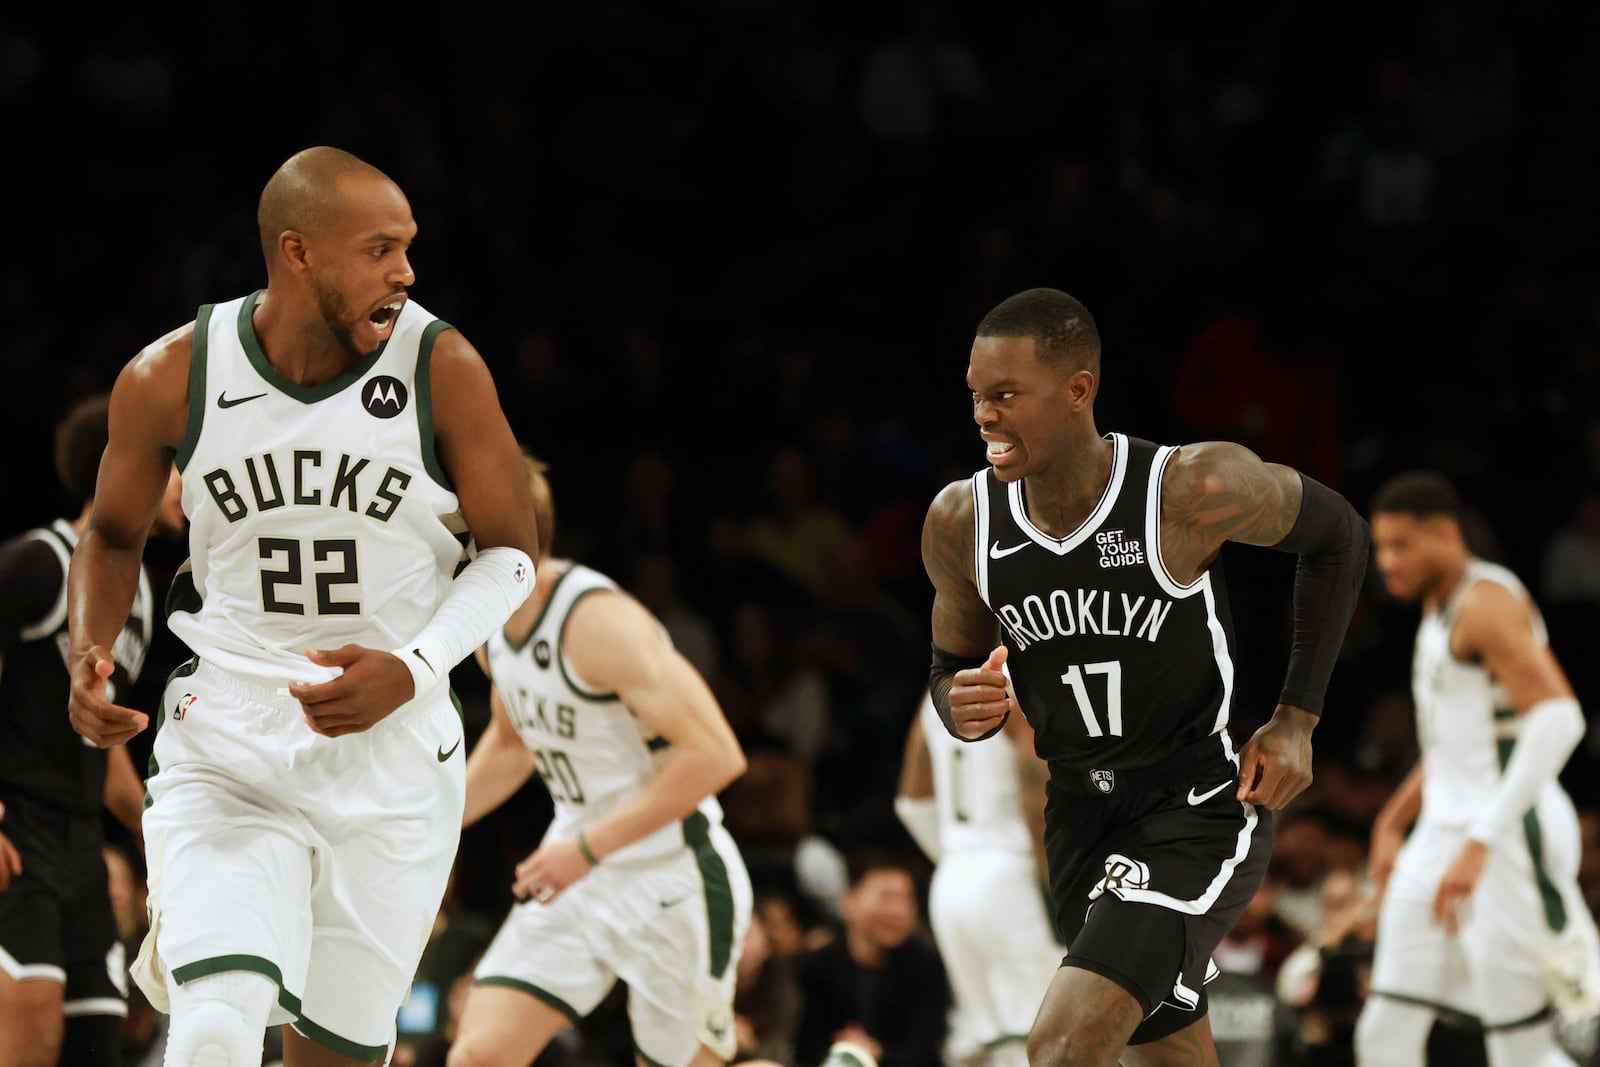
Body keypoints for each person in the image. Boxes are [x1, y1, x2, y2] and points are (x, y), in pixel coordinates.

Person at [65, 146, 540, 1066]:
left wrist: (414, 666)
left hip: (394, 753)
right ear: (298, 253)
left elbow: (514, 554)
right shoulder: (171, 375)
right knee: (214, 1022)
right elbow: (114, 534)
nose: (406, 272)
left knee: (333, 1055)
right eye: (380, 250)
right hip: (229, 732)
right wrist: (92, 649)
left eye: (408, 249)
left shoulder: (444, 366)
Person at [921, 287, 1369, 1067]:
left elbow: (1339, 535)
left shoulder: (1187, 489)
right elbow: (949, 667)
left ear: (1078, 390)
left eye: (1004, 395)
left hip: (1195, 802)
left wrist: (1296, 716)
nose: (983, 415)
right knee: (1162, 1055)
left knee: (1063, 1045)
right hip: (1077, 816)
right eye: (975, 396)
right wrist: (960, 702)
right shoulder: (962, 521)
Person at [446, 452, 752, 1067]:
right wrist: (428, 822)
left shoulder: (596, 621)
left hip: (674, 874)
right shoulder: (490, 621)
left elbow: (718, 755)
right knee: (479, 1055)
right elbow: (512, 743)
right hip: (577, 865)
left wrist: (586, 850)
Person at [1354, 470, 1600, 1067]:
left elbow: (1561, 718)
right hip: (1444, 834)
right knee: (1384, 1031)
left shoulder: (1486, 601)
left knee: (1523, 1045)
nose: (1386, 562)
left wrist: (1481, 841)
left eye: (1400, 545)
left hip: (1508, 837)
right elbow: (1451, 745)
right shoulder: (1436, 608)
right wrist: (1392, 823)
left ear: (1444, 534)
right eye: (1379, 547)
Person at [0, 392, 161, 1067]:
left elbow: (106, 751)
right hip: (19, 829)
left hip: (82, 844)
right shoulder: (40, 559)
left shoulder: (143, 597)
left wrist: (162, 835)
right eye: (171, 462)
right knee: (30, 1041)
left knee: (99, 1041)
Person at [894, 693, 1060, 1067]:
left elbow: (911, 800)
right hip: (1016, 878)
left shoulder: (937, 690)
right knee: (1050, 1037)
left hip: (954, 880)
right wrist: (1064, 891)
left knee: (999, 1045)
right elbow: (1038, 802)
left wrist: (958, 856)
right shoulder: (1022, 679)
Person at [791, 851, 951, 1067]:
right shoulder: (817, 966)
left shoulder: (926, 965)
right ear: (849, 902)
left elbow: (927, 1053)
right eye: (886, 897)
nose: (899, 910)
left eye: (908, 899)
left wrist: (875, 1052)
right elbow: (804, 1049)